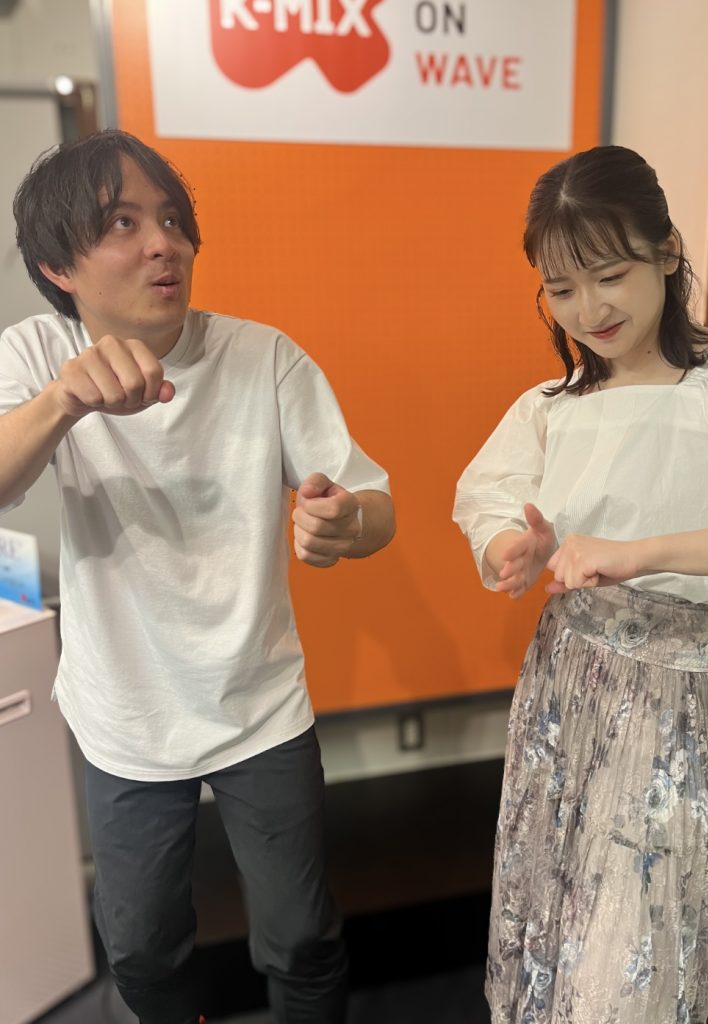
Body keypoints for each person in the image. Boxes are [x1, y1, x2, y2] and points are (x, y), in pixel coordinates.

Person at [0, 129, 395, 1024]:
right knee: (142, 951)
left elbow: (375, 506)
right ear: (58, 265)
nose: (163, 244)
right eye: (124, 223)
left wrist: (346, 522)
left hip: (259, 702)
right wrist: (65, 400)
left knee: (301, 938)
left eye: (173, 220)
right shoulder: (36, 353)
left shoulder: (264, 357)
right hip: (125, 712)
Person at [453, 145, 708, 1023]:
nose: (588, 310)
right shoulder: (551, 405)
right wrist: (511, 550)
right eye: (560, 289)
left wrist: (633, 553)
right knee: (558, 920)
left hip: (673, 699)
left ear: (667, 252)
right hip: (566, 686)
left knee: (631, 961)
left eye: (609, 276)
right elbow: (485, 501)